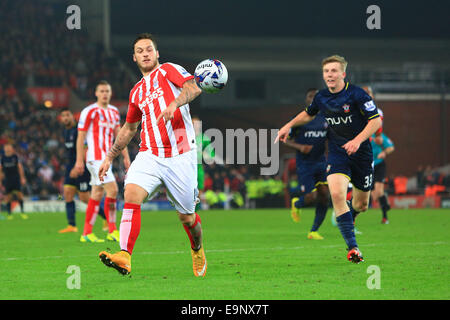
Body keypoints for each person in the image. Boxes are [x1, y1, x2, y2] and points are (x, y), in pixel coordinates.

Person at [97, 33, 205, 277]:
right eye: (140, 51)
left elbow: (193, 87)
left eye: (149, 49)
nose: (145, 53)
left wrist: (175, 104)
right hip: (150, 155)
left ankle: (197, 248)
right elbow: (129, 128)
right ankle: (124, 256)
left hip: (181, 155)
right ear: (134, 58)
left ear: (157, 54)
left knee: (187, 218)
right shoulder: (136, 92)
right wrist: (109, 157)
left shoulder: (168, 70)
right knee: (132, 194)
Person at [275, 55, 382, 263]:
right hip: (337, 152)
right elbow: (308, 114)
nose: (329, 75)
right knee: (335, 193)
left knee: (361, 205)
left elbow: (375, 121)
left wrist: (358, 141)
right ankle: (353, 248)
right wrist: (288, 125)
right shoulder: (321, 97)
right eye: (326, 72)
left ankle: (347, 213)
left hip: (361, 153)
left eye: (334, 71)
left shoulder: (358, 95)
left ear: (343, 74)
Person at [75, 80, 131, 243]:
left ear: (111, 93)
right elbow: (81, 136)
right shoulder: (89, 111)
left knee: (97, 193)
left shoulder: (113, 112)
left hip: (107, 159)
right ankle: (112, 230)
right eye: (102, 91)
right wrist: (79, 160)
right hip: (94, 158)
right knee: (112, 189)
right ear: (96, 93)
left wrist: (125, 156)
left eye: (107, 91)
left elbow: (120, 136)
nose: (105, 94)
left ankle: (86, 233)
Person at [283, 88, 330, 240]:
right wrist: (300, 147)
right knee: (311, 197)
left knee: (324, 196)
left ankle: (314, 231)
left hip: (321, 162)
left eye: (316, 96)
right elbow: (285, 138)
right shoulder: (300, 120)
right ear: (307, 100)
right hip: (305, 164)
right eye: (310, 95)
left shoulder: (325, 118)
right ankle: (297, 204)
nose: (313, 98)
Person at [58, 108, 106, 233]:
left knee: (85, 198)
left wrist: (79, 165)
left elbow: (85, 148)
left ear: (72, 117)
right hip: (70, 166)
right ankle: (72, 225)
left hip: (81, 166)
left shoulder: (78, 131)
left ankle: (106, 218)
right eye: (63, 116)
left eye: (67, 115)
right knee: (67, 193)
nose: (65, 118)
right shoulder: (65, 132)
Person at [370, 132, 395, 224]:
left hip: (379, 165)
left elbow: (391, 147)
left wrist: (384, 152)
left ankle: (385, 217)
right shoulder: (361, 134)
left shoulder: (378, 135)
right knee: (375, 197)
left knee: (379, 191)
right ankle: (386, 204)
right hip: (368, 166)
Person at [0, 143, 28, 220]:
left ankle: (22, 212)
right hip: (7, 179)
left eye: (9, 147)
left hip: (16, 179)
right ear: (4, 149)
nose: (8, 149)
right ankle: (9, 214)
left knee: (19, 195)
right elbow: (1, 170)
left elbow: (20, 167)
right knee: (8, 197)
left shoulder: (15, 157)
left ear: (12, 149)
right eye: (6, 147)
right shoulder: (3, 158)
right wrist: (0, 180)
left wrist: (22, 178)